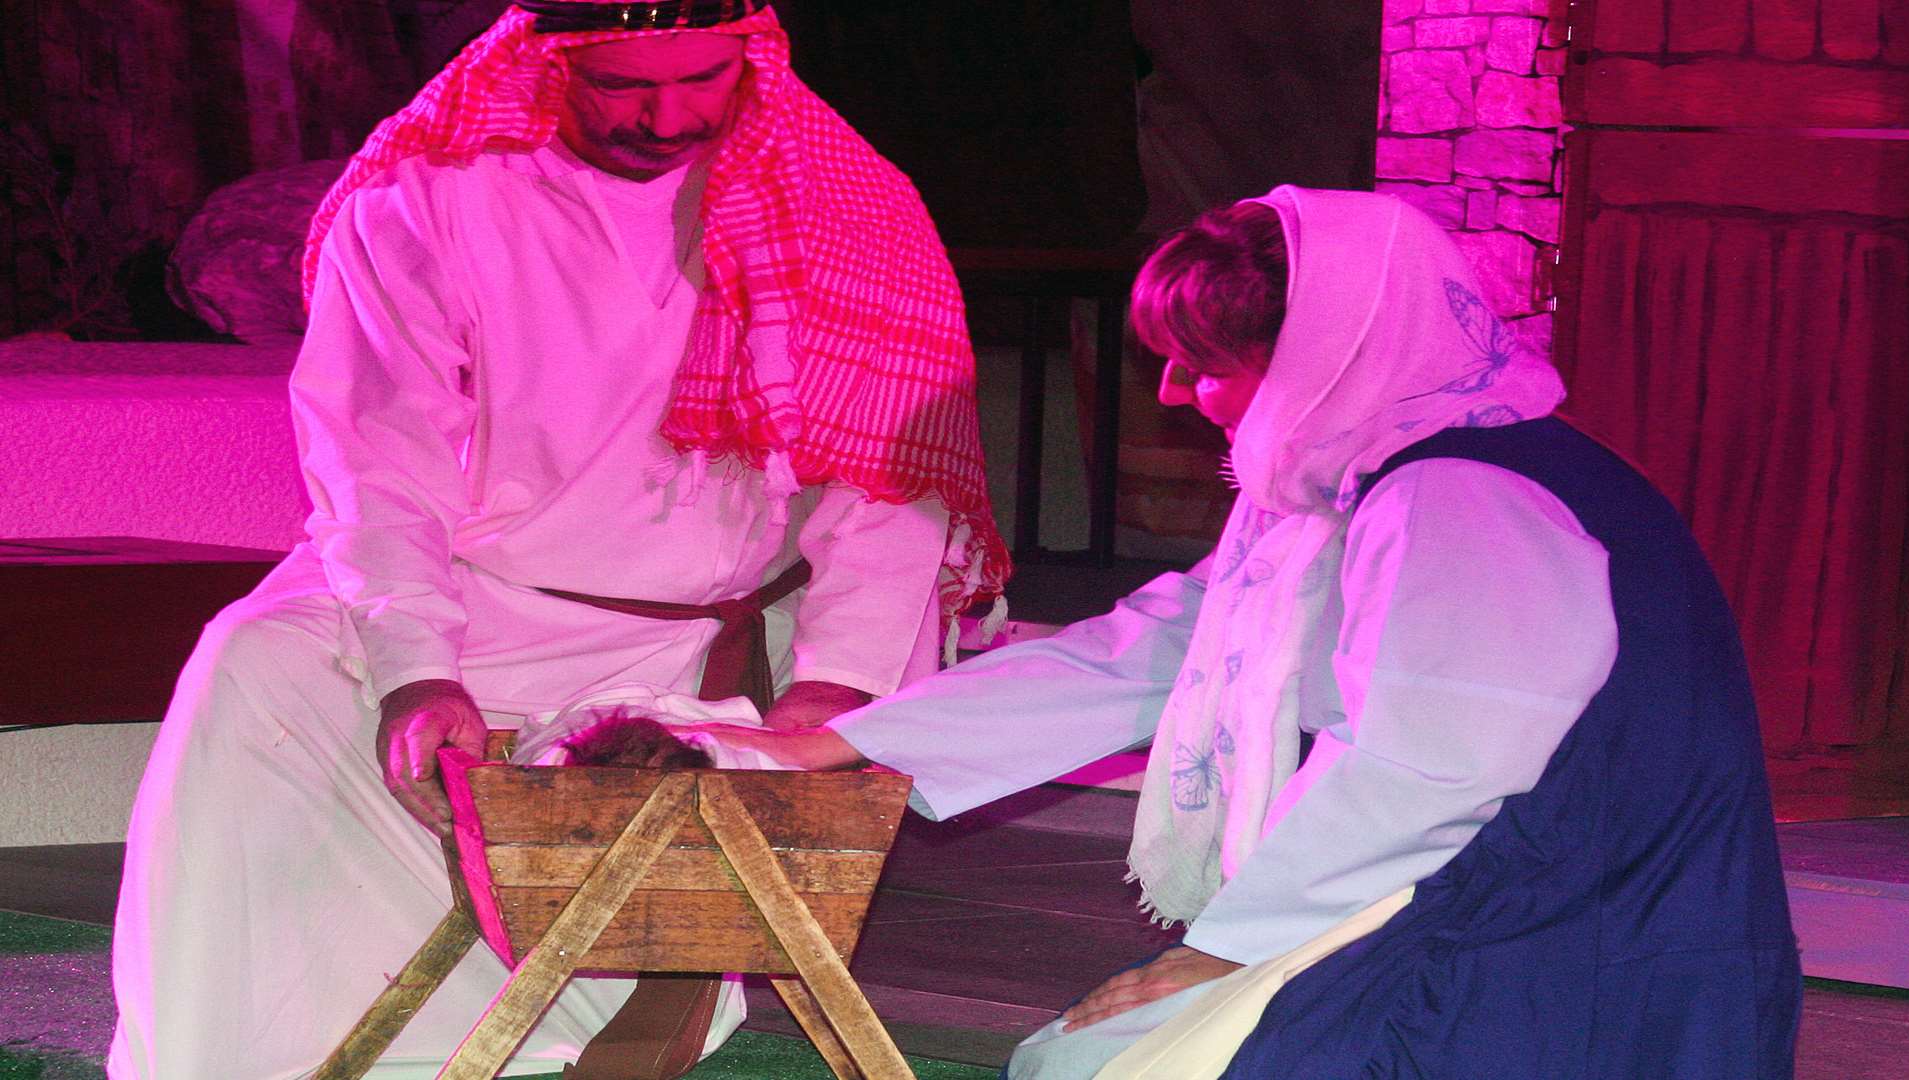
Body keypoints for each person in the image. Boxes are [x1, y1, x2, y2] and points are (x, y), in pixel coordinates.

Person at [706, 185, 1802, 1077]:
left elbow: (1426, 769)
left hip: (1562, 953)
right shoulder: (1361, 486)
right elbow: (1155, 649)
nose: (1178, 394)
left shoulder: (1466, 501)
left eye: (1210, 365)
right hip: (1479, 914)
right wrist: (859, 740)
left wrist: (1223, 951)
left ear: (1331, 356)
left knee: (1112, 1069)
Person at [106, 2, 1007, 1078]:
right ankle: (228, 1060)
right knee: (253, 666)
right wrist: (415, 671)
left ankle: (571, 1036)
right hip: (472, 594)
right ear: (548, 64)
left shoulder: (849, 207)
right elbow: (378, 460)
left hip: (706, 631)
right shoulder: (426, 204)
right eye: (625, 87)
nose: (669, 118)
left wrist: (838, 681)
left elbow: (888, 475)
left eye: (704, 80)